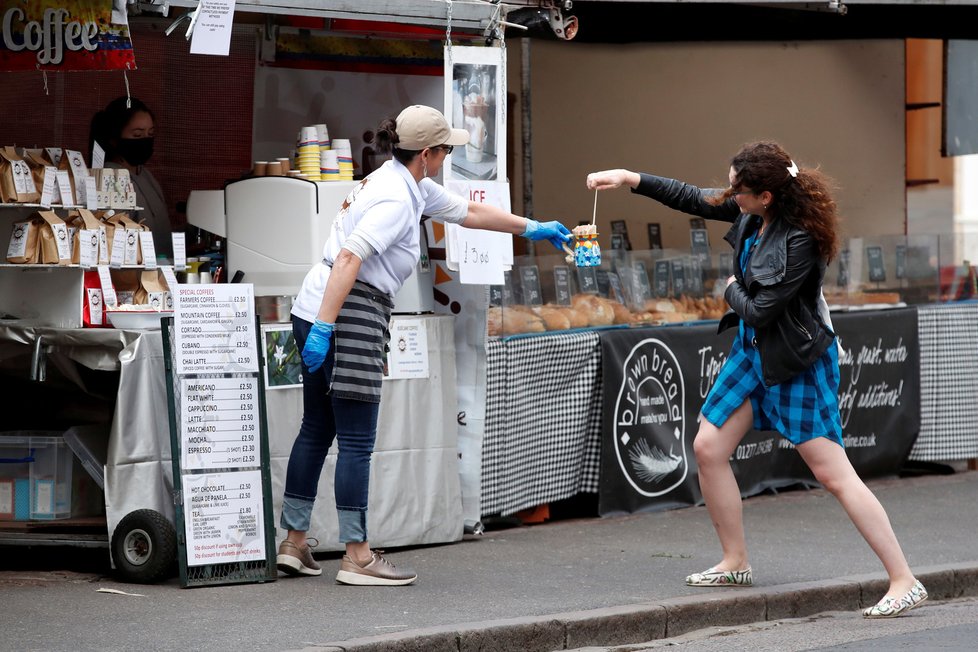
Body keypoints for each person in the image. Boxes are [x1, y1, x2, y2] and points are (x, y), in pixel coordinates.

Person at [585, 141, 927, 619]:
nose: (730, 194)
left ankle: (904, 579)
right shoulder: (751, 212)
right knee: (708, 448)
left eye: (738, 189)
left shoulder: (800, 239)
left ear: (766, 195)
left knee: (833, 474)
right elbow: (692, 197)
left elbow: (764, 308)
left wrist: (728, 290)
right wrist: (628, 177)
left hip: (795, 359)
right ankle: (735, 561)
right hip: (752, 351)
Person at [278, 104, 571, 585]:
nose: (448, 155)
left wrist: (530, 227)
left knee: (316, 428)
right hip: (347, 310)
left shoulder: (399, 180)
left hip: (315, 302)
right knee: (355, 440)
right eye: (447, 149)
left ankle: (294, 542)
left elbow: (469, 211)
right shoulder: (397, 198)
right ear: (429, 153)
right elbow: (351, 258)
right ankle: (357, 555)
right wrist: (328, 328)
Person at [89, 96, 171, 258]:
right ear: (114, 139)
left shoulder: (145, 175)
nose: (146, 140)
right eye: (137, 135)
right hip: (131, 276)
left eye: (151, 133)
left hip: (160, 271)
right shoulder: (109, 179)